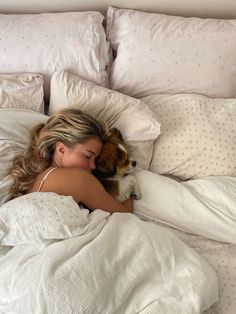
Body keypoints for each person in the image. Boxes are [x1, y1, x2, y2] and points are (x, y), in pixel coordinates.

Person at [10, 108, 133, 213]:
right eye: (88, 156)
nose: (93, 166)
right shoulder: (79, 179)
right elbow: (125, 217)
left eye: (96, 159)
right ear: (62, 150)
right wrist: (128, 183)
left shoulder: (33, 178)